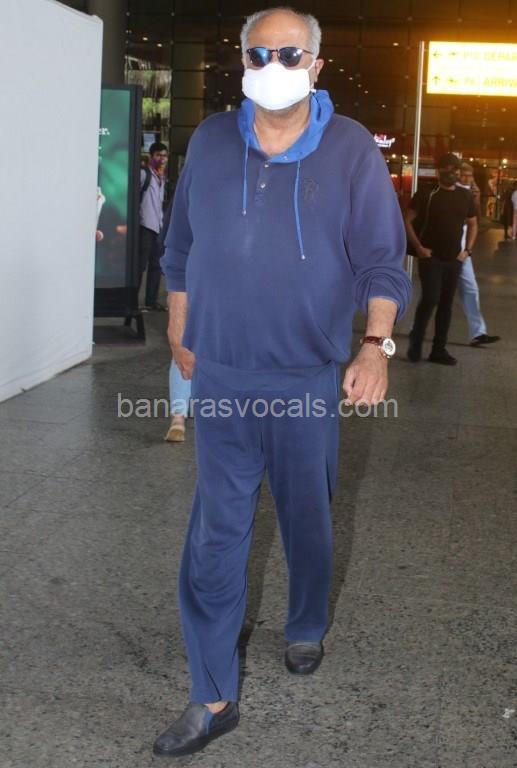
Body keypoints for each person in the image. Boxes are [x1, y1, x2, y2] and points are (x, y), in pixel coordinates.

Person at [153, 7, 411, 758]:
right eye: (258, 53)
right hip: (222, 373)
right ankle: (211, 694)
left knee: (306, 520)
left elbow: (381, 260)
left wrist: (374, 346)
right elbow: (180, 248)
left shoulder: (350, 148)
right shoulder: (209, 140)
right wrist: (178, 328)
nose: (273, 66)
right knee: (215, 534)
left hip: (305, 378)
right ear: (242, 60)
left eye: (289, 54)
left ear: (316, 64)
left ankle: (304, 623)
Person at [405, 153, 477, 366]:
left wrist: (467, 251)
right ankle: (416, 342)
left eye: (456, 169)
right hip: (431, 258)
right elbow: (407, 220)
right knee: (430, 299)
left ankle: (438, 350)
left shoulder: (465, 196)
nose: (452, 173)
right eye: (447, 168)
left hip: (454, 259)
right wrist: (419, 247)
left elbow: (473, 223)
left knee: (446, 304)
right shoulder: (426, 194)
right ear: (438, 171)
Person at [456, 162, 500, 347]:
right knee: (435, 294)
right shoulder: (454, 191)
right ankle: (417, 328)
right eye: (463, 174)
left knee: (471, 289)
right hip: (447, 248)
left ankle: (478, 332)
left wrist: (477, 199)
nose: (467, 178)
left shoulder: (471, 193)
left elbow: (477, 222)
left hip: (464, 250)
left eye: (470, 175)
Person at [138, 141, 168, 311]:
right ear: (151, 156)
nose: (162, 159)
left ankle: (151, 301)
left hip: (157, 226)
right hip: (145, 226)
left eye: (164, 155)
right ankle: (132, 300)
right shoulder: (144, 175)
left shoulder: (161, 177)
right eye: (158, 155)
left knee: (156, 266)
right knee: (140, 266)